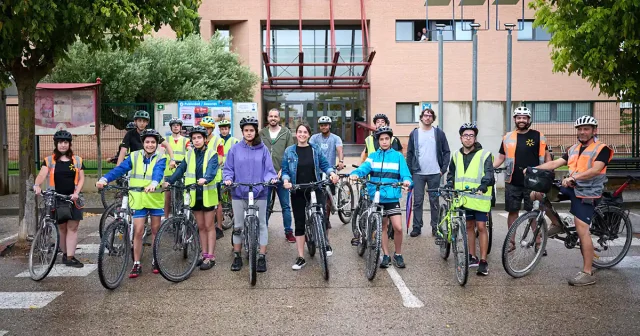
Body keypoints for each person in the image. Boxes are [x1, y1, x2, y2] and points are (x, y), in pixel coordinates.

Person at [529, 116, 612, 286]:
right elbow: (554, 163)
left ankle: (588, 273)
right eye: (580, 129)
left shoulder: (602, 149)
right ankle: (557, 224)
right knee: (537, 194)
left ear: (594, 130)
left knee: (582, 230)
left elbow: (596, 170)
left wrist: (575, 177)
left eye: (586, 129)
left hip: (588, 192)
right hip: (572, 186)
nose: (582, 132)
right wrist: (533, 169)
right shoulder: (573, 148)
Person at [96, 129, 166, 278]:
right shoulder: (134, 156)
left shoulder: (161, 156)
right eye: (147, 142)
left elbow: (159, 172)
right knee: (138, 231)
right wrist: (105, 179)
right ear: (143, 143)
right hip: (138, 199)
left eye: (153, 142)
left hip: (154, 198)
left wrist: (154, 183)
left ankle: (155, 260)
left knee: (155, 231)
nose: (150, 144)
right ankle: (136, 263)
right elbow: (120, 169)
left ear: (157, 144)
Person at [350, 126, 412, 268]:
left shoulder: (397, 156)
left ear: (390, 140)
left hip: (392, 197)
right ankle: (385, 255)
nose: (384, 141)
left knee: (398, 228)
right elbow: (363, 168)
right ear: (378, 141)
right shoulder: (372, 156)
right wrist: (355, 174)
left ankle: (398, 254)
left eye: (387, 139)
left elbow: (406, 174)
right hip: (376, 196)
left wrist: (407, 181)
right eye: (381, 139)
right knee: (382, 226)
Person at [223, 116, 278, 273]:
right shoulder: (234, 149)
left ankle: (261, 256)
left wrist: (271, 179)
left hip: (259, 192)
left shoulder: (263, 149)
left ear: (255, 132)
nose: (248, 133)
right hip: (239, 192)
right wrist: (228, 179)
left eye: (251, 130)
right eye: (246, 130)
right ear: (242, 132)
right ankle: (237, 255)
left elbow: (269, 170)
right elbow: (228, 168)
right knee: (238, 225)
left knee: (261, 224)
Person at [493, 106, 551, 252]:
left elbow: (547, 157)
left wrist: (549, 172)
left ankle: (538, 243)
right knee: (512, 212)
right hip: (513, 181)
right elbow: (501, 157)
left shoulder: (538, 136)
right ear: (515, 119)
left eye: (524, 118)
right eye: (518, 117)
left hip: (534, 182)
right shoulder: (507, 137)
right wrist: (490, 168)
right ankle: (510, 243)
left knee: (533, 212)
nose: (521, 120)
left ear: (529, 120)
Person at [282, 123, 339, 270]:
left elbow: (325, 164)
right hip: (298, 189)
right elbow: (286, 170)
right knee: (300, 223)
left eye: (305, 132)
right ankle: (301, 257)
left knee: (322, 217)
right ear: (296, 134)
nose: (302, 134)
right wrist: (286, 180)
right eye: (299, 132)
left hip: (315, 187)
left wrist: (332, 173)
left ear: (308, 134)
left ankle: (325, 242)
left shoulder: (315, 149)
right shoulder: (290, 151)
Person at [164, 126, 219, 270]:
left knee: (209, 226)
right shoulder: (189, 154)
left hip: (207, 194)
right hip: (194, 195)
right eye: (194, 138)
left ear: (205, 139)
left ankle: (211, 257)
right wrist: (169, 181)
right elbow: (181, 169)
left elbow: (212, 170)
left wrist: (205, 179)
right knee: (200, 226)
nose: (197, 140)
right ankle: (204, 253)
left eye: (199, 137)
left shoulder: (212, 153)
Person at [444, 123, 494, 276]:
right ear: (460, 138)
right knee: (469, 227)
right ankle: (472, 256)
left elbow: (489, 175)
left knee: (481, 227)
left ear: (475, 138)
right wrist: (449, 185)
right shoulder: (455, 155)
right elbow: (451, 174)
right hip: (463, 198)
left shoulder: (484, 154)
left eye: (471, 135)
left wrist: (483, 186)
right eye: (465, 135)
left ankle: (483, 261)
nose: (468, 138)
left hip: (479, 198)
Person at [33, 130, 85, 268]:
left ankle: (70, 257)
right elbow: (42, 175)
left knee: (73, 227)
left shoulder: (77, 160)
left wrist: (77, 192)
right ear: (56, 144)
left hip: (72, 198)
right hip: (56, 197)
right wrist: (37, 185)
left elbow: (81, 179)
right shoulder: (49, 160)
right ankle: (64, 253)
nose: (63, 145)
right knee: (62, 227)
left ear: (69, 144)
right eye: (60, 142)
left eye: (66, 142)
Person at [406, 108, 450, 238]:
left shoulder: (438, 133)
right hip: (418, 173)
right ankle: (417, 227)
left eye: (430, 115)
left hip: (435, 173)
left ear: (433, 118)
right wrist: (410, 172)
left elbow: (446, 151)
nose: (428, 117)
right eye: (425, 115)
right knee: (418, 201)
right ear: (421, 117)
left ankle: (435, 228)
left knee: (434, 201)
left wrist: (443, 169)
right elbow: (409, 153)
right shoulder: (414, 133)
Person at [258, 108, 295, 243]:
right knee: (265, 205)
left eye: (275, 116)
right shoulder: (262, 133)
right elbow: (257, 153)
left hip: (281, 174)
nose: (273, 118)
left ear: (279, 119)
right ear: (268, 118)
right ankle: (264, 231)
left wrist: (283, 170)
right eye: (271, 116)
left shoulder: (286, 132)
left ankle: (288, 232)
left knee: (285, 205)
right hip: (266, 176)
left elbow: (290, 152)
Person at [310, 116, 344, 228]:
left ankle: (326, 219)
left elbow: (339, 150)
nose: (323, 127)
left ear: (329, 126)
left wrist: (341, 161)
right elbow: (309, 149)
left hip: (330, 171)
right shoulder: (314, 138)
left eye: (325, 125)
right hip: (316, 170)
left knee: (328, 195)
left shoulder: (335, 138)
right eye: (321, 125)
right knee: (315, 193)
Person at [200, 115, 226, 239]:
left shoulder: (218, 141)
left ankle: (219, 227)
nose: (205, 130)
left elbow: (220, 158)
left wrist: (211, 167)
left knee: (217, 202)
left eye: (208, 128)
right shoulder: (199, 139)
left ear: (212, 129)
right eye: (203, 127)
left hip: (215, 177)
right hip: (201, 176)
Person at [214, 119, 239, 238]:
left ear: (229, 129)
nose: (224, 131)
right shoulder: (216, 140)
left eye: (226, 129)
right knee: (220, 193)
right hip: (219, 170)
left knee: (231, 193)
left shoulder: (234, 140)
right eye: (222, 129)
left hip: (230, 169)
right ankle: (222, 214)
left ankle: (234, 213)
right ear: (219, 130)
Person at [163, 118, 189, 217]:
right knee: (168, 198)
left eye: (177, 125)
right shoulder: (166, 140)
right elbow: (162, 153)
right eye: (173, 125)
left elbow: (190, 152)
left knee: (180, 197)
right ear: (171, 128)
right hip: (168, 171)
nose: (176, 127)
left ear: (180, 127)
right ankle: (166, 219)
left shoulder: (185, 140)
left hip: (181, 171)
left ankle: (181, 217)